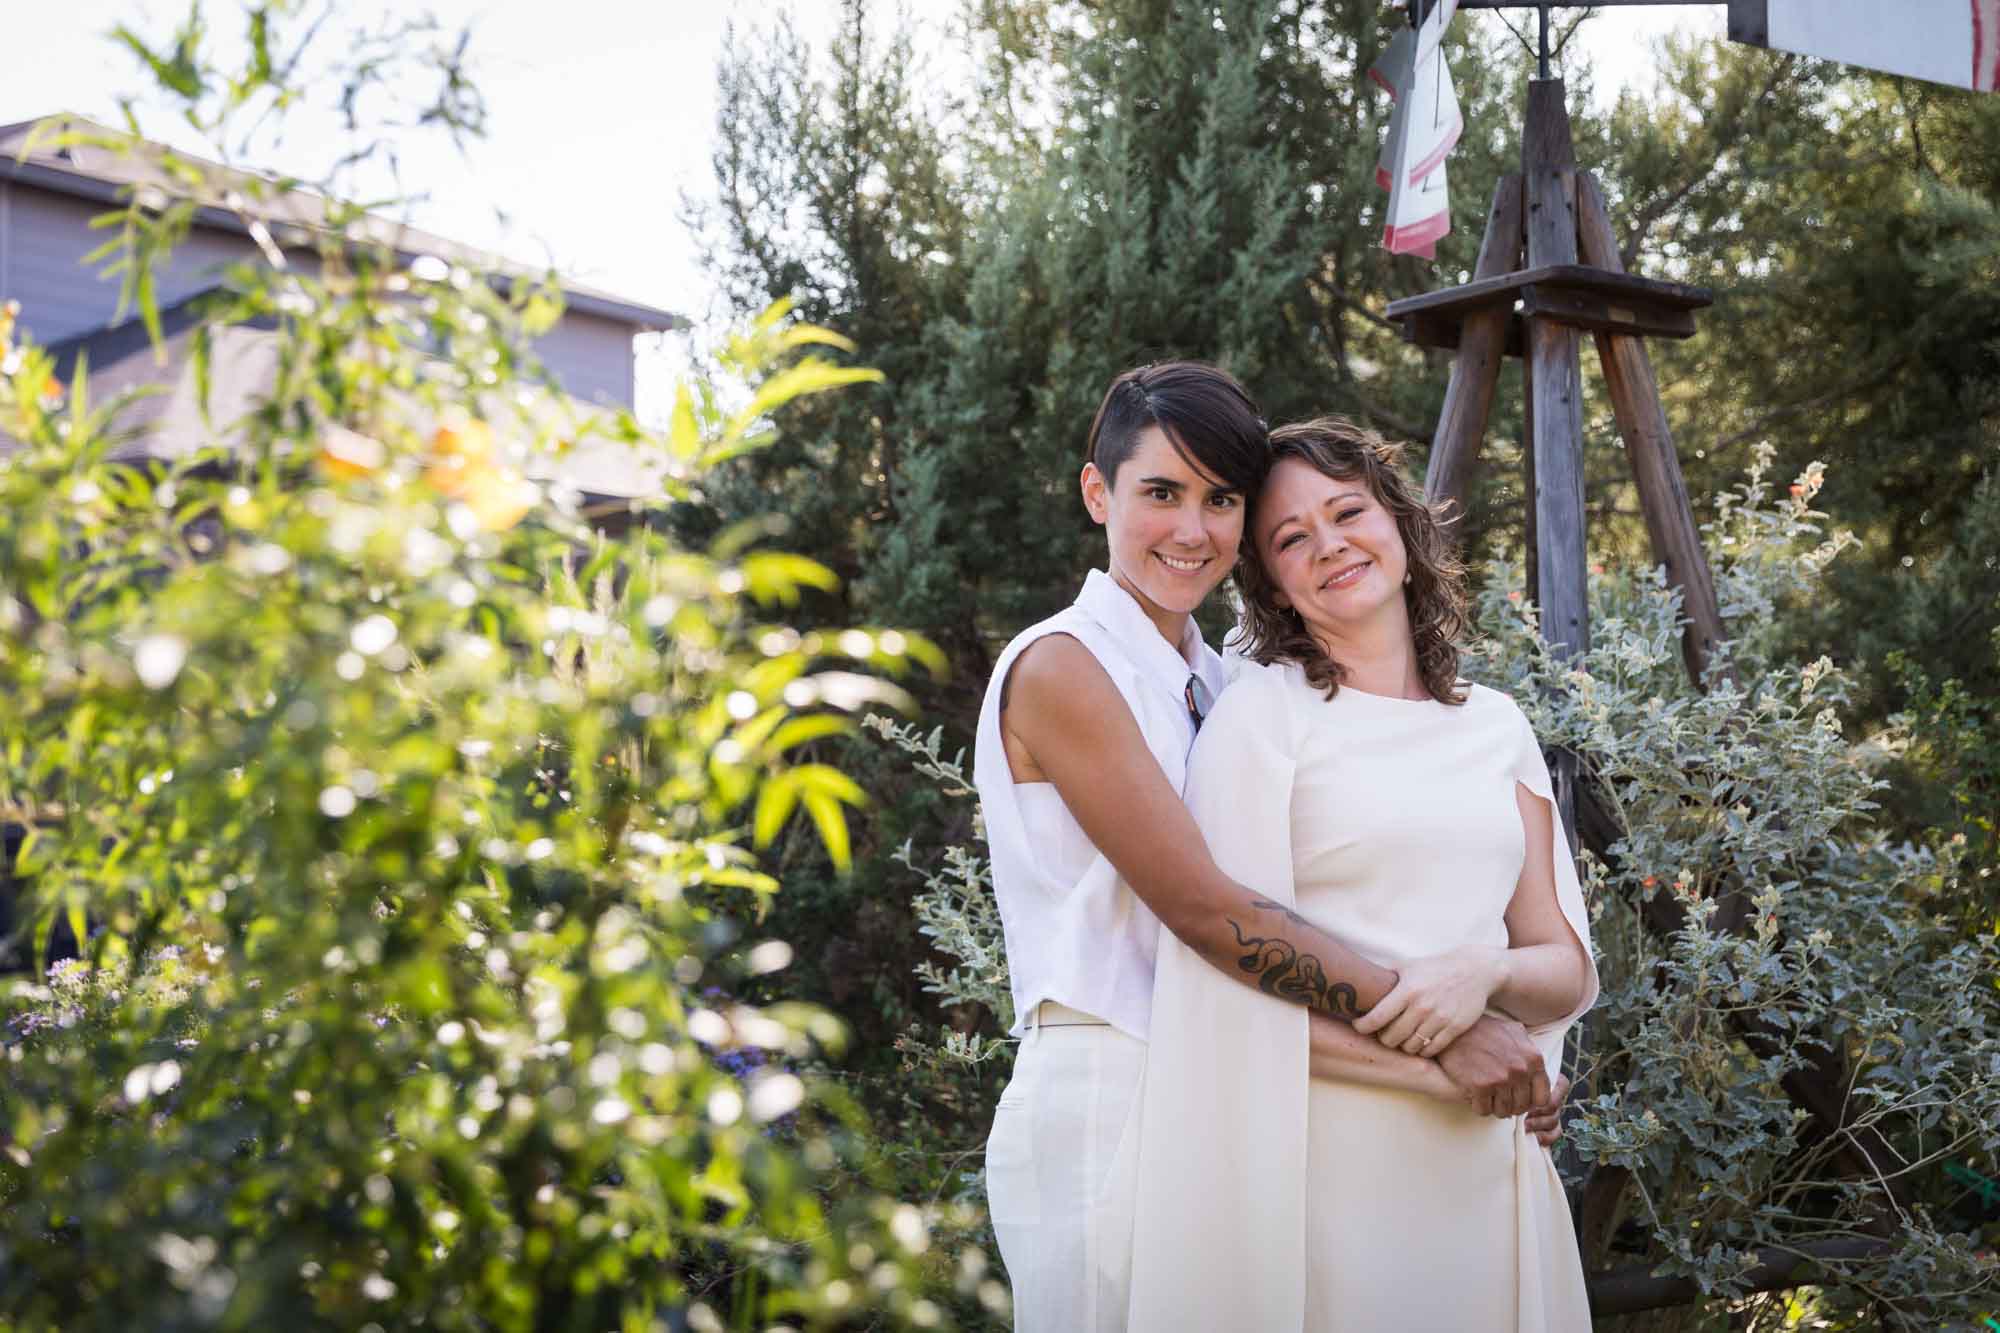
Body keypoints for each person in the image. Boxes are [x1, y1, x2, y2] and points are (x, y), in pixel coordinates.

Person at [973, 367, 1566, 1332]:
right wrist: (1449, 1035)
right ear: (1098, 494)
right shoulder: (1066, 664)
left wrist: (1507, 1058)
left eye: (1221, 500)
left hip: (1221, 1090)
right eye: (1160, 492)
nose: (1192, 529)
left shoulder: (1217, 680)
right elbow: (1214, 911)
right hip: (1105, 1090)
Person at [1125, 416, 1598, 1331]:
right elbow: (1214, 989)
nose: (1329, 545)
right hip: (1330, 1174)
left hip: (1489, 1165)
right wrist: (1443, 1058)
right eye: (1292, 539)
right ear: (1273, 586)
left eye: (1349, 513)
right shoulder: (1263, 721)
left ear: (1403, 529)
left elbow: (1563, 965)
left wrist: (1484, 975)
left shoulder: (1497, 726)